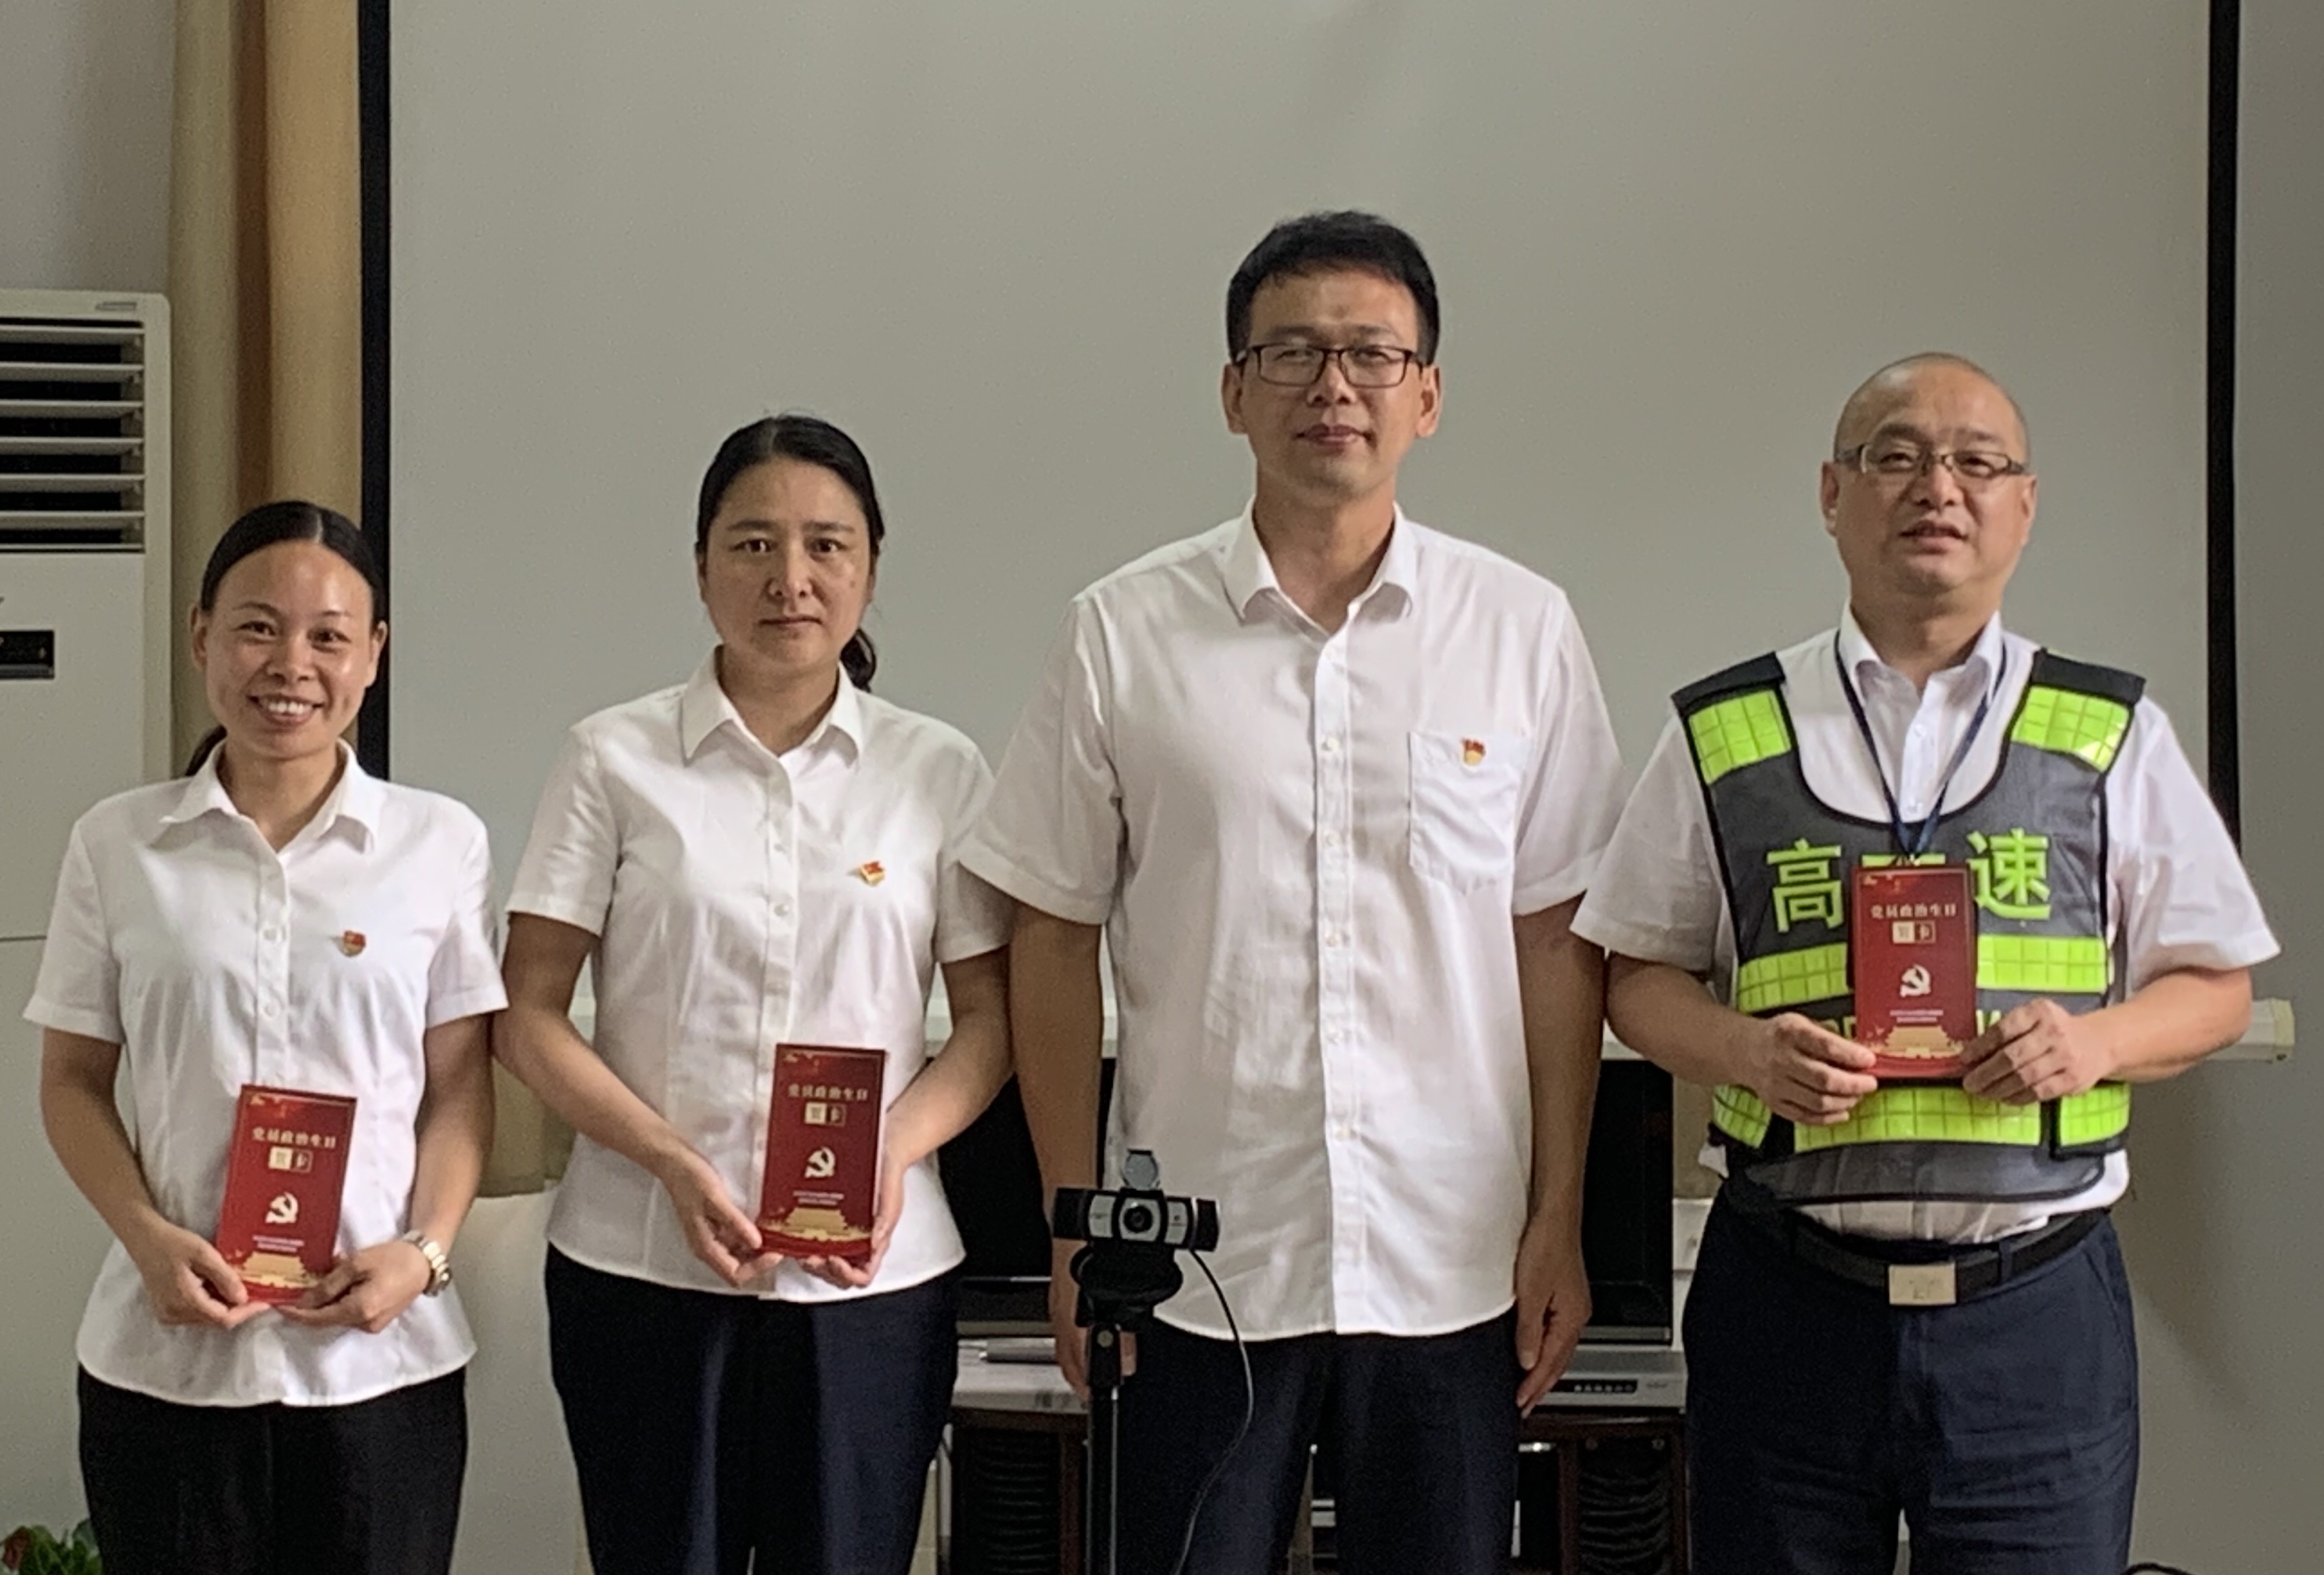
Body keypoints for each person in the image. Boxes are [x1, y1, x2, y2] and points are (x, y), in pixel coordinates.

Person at [962, 211, 1625, 1575]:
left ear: (1427, 395)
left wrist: (1558, 1210)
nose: (1335, 385)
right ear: (1232, 390)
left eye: (1373, 354)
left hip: (1452, 1259)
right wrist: (1076, 1226)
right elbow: (1052, 932)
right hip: (1200, 1267)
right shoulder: (1120, 631)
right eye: (1293, 353)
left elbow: (1556, 937)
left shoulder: (1521, 629)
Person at [1572, 353, 2279, 1575]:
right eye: (1895, 455)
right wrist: (1743, 1049)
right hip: (1787, 1297)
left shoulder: (2111, 733)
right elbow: (1637, 977)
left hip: (2033, 1313)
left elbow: (2217, 988)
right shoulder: (1726, 729)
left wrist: (2093, 1042)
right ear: (1832, 493)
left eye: (1976, 462)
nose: (1937, 487)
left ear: (2024, 504)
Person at [495, 414, 1013, 1575]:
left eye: (827, 544)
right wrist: (671, 1160)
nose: (792, 577)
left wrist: (892, 1150)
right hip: (642, 1270)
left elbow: (988, 1025)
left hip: (872, 1282)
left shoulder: (938, 769)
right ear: (700, 568)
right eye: (753, 544)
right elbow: (526, 1014)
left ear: (871, 567)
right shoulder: (612, 758)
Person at [26, 500, 501, 1575]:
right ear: (202, 635)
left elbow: (461, 1088)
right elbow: (71, 1080)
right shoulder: (118, 843)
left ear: (373, 653)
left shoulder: (439, 842)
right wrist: (146, 1237)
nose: (292, 664)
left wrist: (424, 1252)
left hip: (382, 1368)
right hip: (169, 1367)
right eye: (257, 627)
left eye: (330, 635)